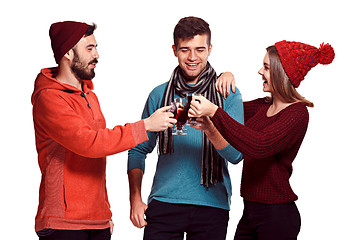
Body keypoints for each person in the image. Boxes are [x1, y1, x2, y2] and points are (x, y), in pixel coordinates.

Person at [31, 21, 176, 240]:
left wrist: (104, 213)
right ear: (68, 52)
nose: (96, 54)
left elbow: (99, 154)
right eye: (89, 48)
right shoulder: (49, 98)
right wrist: (145, 126)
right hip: (63, 223)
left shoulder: (89, 95)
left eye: (96, 47)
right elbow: (89, 143)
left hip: (97, 220)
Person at [189, 40, 335, 239]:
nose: (260, 71)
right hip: (251, 212)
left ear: (280, 72)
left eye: (266, 67)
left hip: (277, 215)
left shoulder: (297, 114)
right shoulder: (261, 107)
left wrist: (214, 112)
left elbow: (259, 145)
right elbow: (228, 109)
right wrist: (225, 75)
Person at [127, 16, 244, 240]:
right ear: (174, 50)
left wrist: (210, 129)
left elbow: (237, 155)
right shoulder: (159, 95)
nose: (192, 57)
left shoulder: (227, 93)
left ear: (210, 49)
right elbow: (138, 149)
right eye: (185, 49)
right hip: (163, 203)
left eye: (200, 49)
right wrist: (135, 199)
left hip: (212, 206)